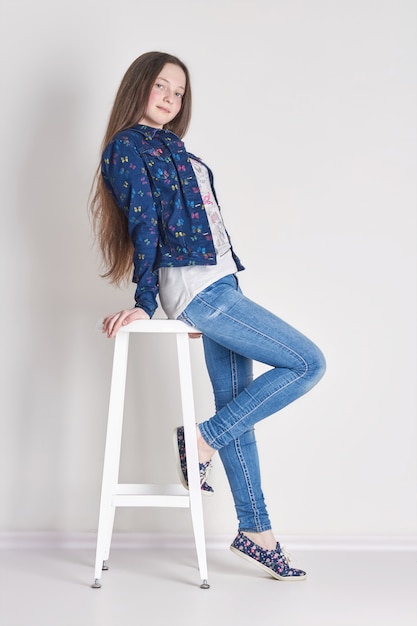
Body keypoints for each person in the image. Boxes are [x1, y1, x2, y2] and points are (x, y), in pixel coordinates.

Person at [90, 51, 326, 581]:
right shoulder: (127, 148)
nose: (171, 98)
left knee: (237, 409)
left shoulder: (172, 145)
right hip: (199, 290)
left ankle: (256, 532)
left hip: (221, 283)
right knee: (308, 363)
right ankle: (198, 441)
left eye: (179, 91)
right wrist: (143, 303)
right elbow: (145, 226)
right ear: (138, 89)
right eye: (161, 87)